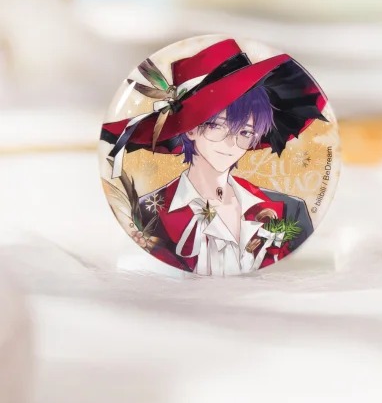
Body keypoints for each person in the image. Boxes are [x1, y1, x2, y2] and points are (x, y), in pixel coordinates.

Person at [101, 38, 325, 275]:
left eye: (245, 132)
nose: (230, 143)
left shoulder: (291, 210)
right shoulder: (145, 216)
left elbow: (301, 275)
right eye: (218, 126)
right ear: (190, 128)